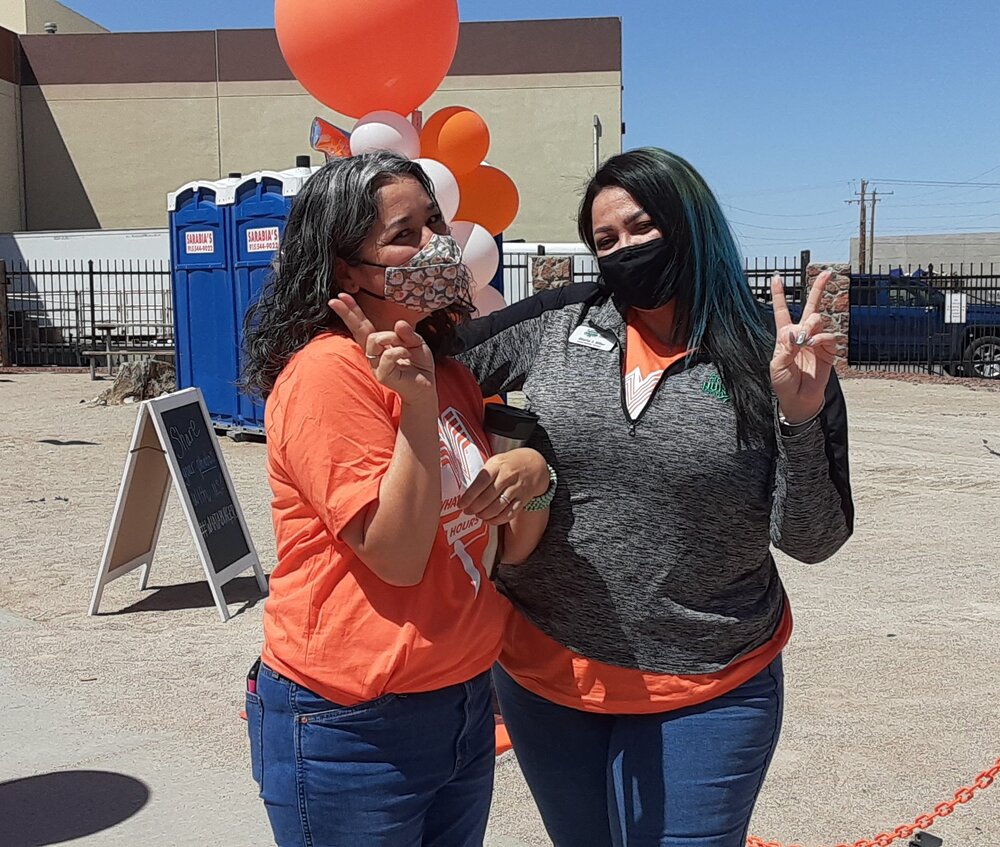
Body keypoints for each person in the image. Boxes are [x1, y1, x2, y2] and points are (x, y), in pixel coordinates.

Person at [457, 147, 854, 847]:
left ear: (689, 221)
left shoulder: (773, 354)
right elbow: (427, 373)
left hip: (708, 688)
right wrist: (512, 451)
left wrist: (800, 414)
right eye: (605, 240)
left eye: (641, 227)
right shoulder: (558, 320)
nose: (624, 251)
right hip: (549, 679)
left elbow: (813, 539)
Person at [240, 151, 553, 847]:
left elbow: (496, 535)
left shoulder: (445, 369)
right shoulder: (327, 376)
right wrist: (413, 410)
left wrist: (534, 472)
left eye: (435, 221)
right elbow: (399, 557)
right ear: (347, 268)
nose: (436, 244)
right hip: (352, 725)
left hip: (461, 702)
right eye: (404, 233)